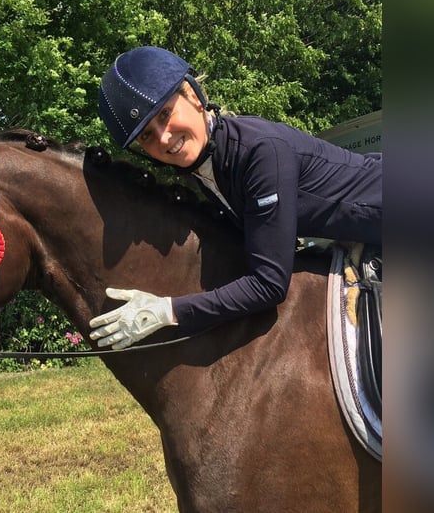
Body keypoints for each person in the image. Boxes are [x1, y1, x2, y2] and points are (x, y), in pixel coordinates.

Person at [89, 45, 381, 349]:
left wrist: (170, 311)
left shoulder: (259, 152)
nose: (163, 137)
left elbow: (269, 284)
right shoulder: (207, 167)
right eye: (146, 135)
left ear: (193, 95)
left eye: (165, 113)